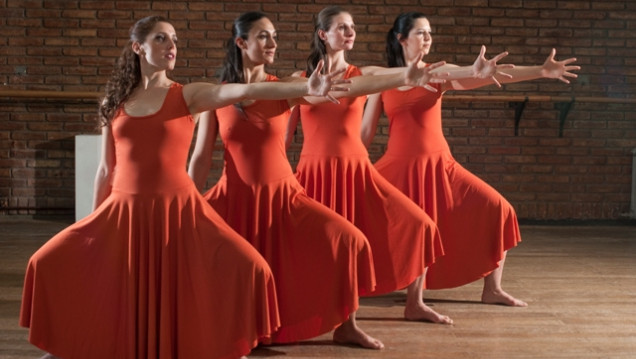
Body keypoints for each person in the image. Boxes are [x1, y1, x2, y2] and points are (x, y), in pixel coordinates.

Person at [19, 15, 352, 359]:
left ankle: (229, 341)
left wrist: (303, 88)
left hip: (178, 209)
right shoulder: (113, 103)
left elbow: (245, 89)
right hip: (124, 209)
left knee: (253, 268)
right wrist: (90, 222)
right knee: (44, 262)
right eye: (161, 39)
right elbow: (107, 168)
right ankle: (67, 341)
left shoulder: (188, 96)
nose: (171, 46)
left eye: (174, 39)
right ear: (138, 47)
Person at [188, 12, 449, 350]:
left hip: (283, 194)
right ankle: (239, 330)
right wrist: (189, 201)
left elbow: (360, 83)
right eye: (264, 36)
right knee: (231, 265)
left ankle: (347, 325)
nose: (273, 43)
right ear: (241, 43)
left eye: (274, 36)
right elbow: (200, 157)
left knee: (349, 242)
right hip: (234, 195)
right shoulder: (216, 96)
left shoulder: (284, 88)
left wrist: (403, 75)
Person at [362, 12, 580, 307]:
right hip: (397, 167)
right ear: (401, 39)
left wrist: (540, 71)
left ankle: (493, 289)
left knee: (498, 209)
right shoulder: (384, 80)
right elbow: (365, 132)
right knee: (362, 220)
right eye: (421, 33)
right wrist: (353, 166)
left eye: (430, 33)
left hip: (440, 166)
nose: (428, 38)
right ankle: (354, 283)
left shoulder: (437, 72)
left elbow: (483, 74)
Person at [287, 6, 467, 325]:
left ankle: (415, 304)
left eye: (352, 27)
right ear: (322, 35)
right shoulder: (298, 81)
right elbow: (283, 139)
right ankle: (324, 314)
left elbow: (397, 74)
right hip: (313, 173)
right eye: (342, 27)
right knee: (319, 247)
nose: (350, 32)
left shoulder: (363, 74)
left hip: (357, 172)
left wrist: (420, 73)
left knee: (420, 226)